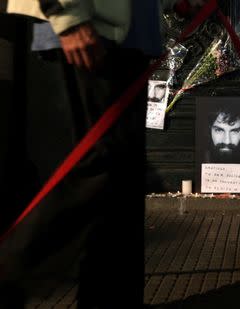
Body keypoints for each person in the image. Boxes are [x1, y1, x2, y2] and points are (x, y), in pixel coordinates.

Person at [0, 0, 205, 308]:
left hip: (126, 33)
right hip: (87, 24)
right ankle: (6, 276)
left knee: (121, 185)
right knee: (97, 173)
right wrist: (66, 13)